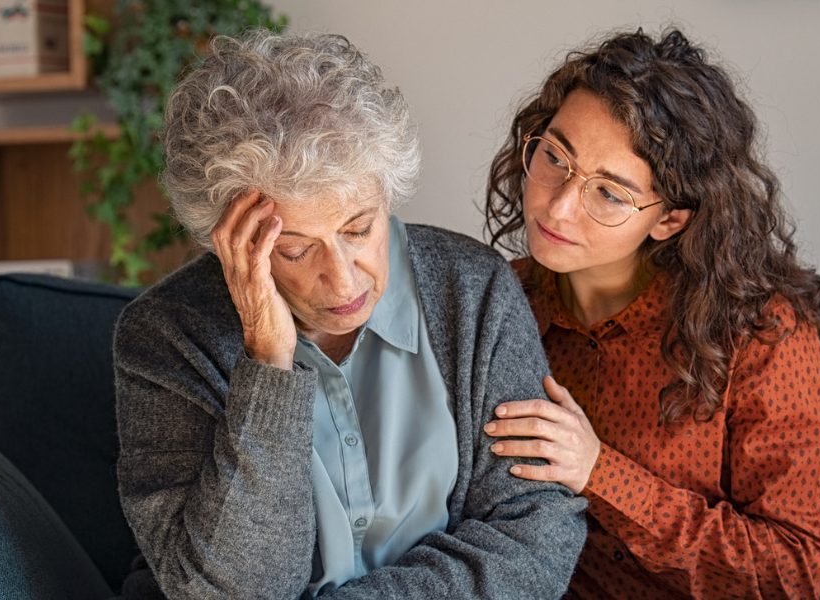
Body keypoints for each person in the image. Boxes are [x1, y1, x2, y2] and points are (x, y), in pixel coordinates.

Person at [113, 31, 585, 600]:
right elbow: (232, 590)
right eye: (294, 249)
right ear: (227, 241)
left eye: (358, 229)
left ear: (388, 193)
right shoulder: (165, 339)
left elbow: (534, 536)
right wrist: (268, 364)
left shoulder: (473, 290)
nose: (343, 280)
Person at [482, 29, 820, 599]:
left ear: (670, 219)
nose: (558, 204)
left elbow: (795, 572)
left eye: (610, 194)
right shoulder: (498, 306)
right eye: (555, 156)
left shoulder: (758, 333)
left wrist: (599, 472)